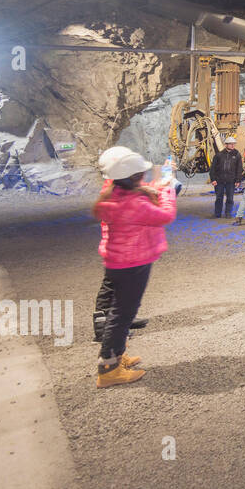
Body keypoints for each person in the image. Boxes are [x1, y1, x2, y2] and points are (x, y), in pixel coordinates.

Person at [92, 151, 177, 388]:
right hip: (133, 263)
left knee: (120, 312)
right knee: (122, 316)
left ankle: (116, 356)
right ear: (133, 176)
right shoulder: (133, 202)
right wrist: (167, 190)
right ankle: (109, 368)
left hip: (120, 262)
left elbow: (138, 195)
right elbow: (165, 215)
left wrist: (155, 187)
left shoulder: (115, 193)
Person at [92, 146, 150, 342]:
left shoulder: (117, 185)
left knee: (121, 286)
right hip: (117, 247)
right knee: (110, 285)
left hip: (122, 246)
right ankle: (102, 326)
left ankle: (123, 319)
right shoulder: (115, 189)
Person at [208, 136, 243, 218]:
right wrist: (213, 179)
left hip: (231, 181)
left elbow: (239, 169)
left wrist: (238, 180)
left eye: (234, 144)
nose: (233, 145)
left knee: (230, 198)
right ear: (226, 145)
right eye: (231, 144)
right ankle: (217, 214)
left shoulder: (237, 155)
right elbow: (213, 168)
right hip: (219, 181)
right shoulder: (219, 155)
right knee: (219, 198)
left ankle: (228, 213)